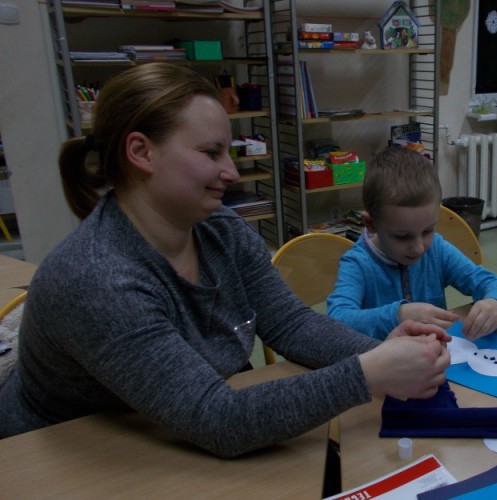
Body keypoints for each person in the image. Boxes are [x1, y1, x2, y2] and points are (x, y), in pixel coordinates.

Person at [0, 63, 450, 457]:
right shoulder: (98, 278)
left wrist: (388, 356)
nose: (231, 172)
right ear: (141, 153)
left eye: (229, 152)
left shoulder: (219, 230)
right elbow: (219, 419)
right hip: (58, 455)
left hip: (155, 431)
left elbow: (291, 325)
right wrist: (369, 372)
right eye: (210, 153)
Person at [327, 147, 497, 340]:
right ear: (371, 223)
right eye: (402, 236)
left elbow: (493, 283)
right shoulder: (358, 263)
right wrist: (399, 315)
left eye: (427, 231)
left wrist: (495, 302)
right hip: (385, 365)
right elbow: (336, 321)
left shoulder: (437, 250)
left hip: (436, 361)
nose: (419, 247)